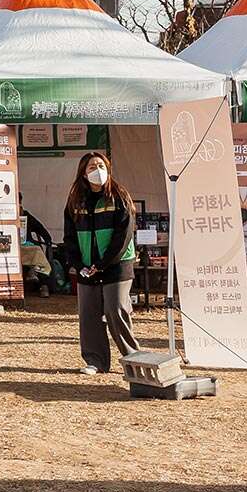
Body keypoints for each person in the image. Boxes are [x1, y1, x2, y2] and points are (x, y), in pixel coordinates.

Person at [64, 150, 142, 374]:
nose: (97, 171)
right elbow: (69, 237)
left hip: (116, 265)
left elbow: (123, 235)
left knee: (115, 309)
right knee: (88, 314)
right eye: (91, 167)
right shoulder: (75, 202)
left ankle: (133, 358)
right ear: (83, 173)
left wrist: (104, 262)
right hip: (87, 267)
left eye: (101, 166)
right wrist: (79, 265)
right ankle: (95, 360)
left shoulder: (119, 197)